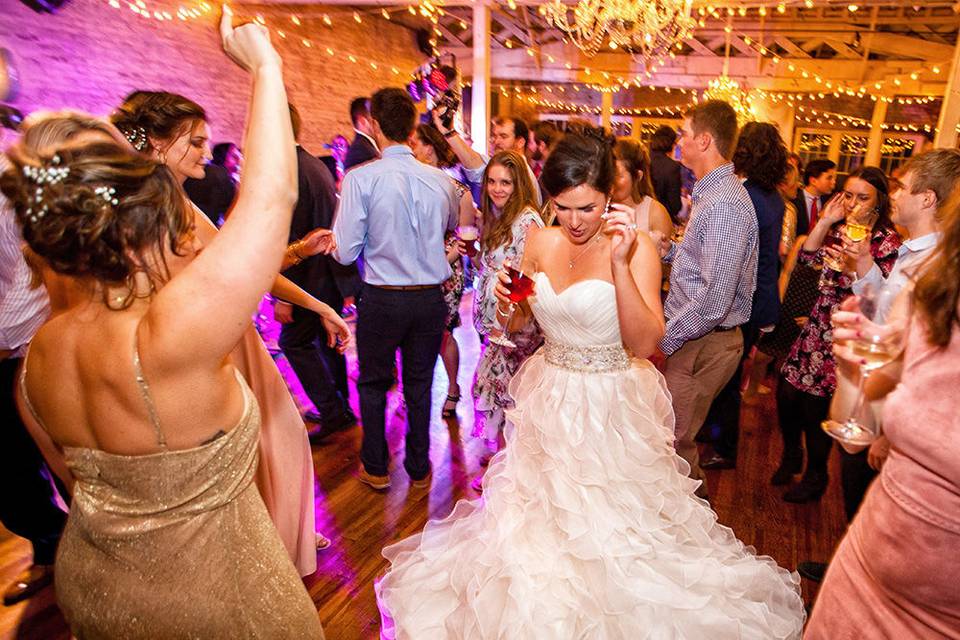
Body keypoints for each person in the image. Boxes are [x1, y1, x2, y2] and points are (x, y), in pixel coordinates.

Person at [374, 128, 805, 639]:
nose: (575, 222)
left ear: (609, 194)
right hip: (551, 395)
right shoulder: (538, 240)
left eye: (588, 207)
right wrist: (511, 297)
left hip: (611, 403)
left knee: (610, 529)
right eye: (564, 208)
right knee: (541, 524)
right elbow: (516, 325)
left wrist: (620, 266)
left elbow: (647, 341)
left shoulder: (637, 245)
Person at [2, 12, 324, 636]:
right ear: (133, 226)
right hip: (217, 599)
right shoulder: (167, 336)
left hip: (97, 595)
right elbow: (267, 200)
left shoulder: (35, 359)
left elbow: (77, 489)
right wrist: (263, 65)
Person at [112, 91, 348, 574]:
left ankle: (277, 534)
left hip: (225, 337)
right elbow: (242, 270)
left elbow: (242, 266)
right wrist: (316, 298)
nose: (206, 150)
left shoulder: (175, 201)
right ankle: (269, 546)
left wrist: (303, 262)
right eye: (194, 142)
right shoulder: (162, 210)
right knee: (271, 439)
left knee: (273, 440)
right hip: (210, 346)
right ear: (156, 145)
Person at [796, 148, 960, 583]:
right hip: (877, 392)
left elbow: (923, 355)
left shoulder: (936, 264)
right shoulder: (914, 252)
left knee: (866, 494)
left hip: (894, 402)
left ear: (927, 199)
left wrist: (887, 431)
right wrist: (865, 264)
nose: (895, 195)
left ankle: (863, 575)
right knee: (855, 489)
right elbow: (887, 308)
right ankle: (853, 565)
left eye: (903, 187)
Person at [333, 87, 458, 491]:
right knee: (420, 383)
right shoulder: (440, 180)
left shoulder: (360, 179)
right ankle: (419, 469)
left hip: (383, 298)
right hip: (428, 299)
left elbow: (346, 250)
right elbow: (451, 226)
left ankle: (376, 466)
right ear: (409, 129)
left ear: (372, 125)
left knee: (372, 383)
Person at [777, 166, 900, 504]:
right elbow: (806, 258)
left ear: (878, 203)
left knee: (816, 407)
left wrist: (855, 262)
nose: (854, 203)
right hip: (818, 323)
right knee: (787, 394)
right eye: (849, 195)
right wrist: (824, 221)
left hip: (848, 329)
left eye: (863, 197)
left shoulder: (885, 241)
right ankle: (791, 454)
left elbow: (882, 298)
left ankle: (816, 475)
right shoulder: (840, 227)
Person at [655, 100, 758, 499]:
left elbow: (715, 298)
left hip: (704, 340)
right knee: (671, 438)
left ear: (704, 140)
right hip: (698, 336)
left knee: (675, 443)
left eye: (683, 133)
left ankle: (697, 534)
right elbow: (705, 265)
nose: (678, 141)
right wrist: (668, 251)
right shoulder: (712, 195)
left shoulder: (725, 204)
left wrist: (665, 339)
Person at [701, 122, 787, 470]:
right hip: (762, 293)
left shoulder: (744, 196)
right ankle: (715, 432)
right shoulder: (773, 196)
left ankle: (724, 444)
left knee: (728, 377)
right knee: (730, 372)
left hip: (746, 297)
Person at [0, 180, 66, 607]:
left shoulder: (12, 190)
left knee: (67, 456)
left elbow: (33, 279)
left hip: (33, 346)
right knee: (10, 469)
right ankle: (50, 545)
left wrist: (3, 339)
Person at [275, 104, 356, 440]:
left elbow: (292, 236)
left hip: (308, 279)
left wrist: (284, 297)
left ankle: (333, 409)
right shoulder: (313, 164)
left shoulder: (289, 173)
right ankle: (340, 406)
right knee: (328, 342)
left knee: (292, 342)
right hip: (327, 276)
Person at [470, 150, 543, 482]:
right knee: (500, 395)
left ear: (519, 185)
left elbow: (529, 280)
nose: (497, 189)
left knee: (510, 397)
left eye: (506, 183)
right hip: (495, 325)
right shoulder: (496, 215)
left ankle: (511, 477)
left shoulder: (526, 221)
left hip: (515, 328)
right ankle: (504, 474)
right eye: (493, 181)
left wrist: (508, 324)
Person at [410, 123, 477, 420]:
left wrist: (440, 264)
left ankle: (452, 388)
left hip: (446, 270)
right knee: (412, 333)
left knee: (443, 334)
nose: (413, 148)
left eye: (417, 143)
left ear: (430, 147)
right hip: (413, 268)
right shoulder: (412, 184)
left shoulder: (459, 191)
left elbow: (464, 237)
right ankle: (412, 388)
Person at [611, 138, 674, 240]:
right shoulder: (600, 208)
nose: (610, 180)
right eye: (608, 172)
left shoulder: (655, 213)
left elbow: (661, 254)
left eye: (617, 175)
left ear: (638, 176)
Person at [648, 124, 683, 222]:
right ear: (671, 144)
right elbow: (675, 206)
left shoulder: (643, 159)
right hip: (661, 220)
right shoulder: (672, 167)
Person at [794, 158, 836, 237]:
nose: (834, 182)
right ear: (813, 181)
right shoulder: (794, 200)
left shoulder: (830, 201)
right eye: (829, 178)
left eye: (834, 178)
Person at [344, 96, 379, 171]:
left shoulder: (365, 146)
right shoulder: (360, 152)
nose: (378, 122)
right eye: (375, 117)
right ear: (363, 122)